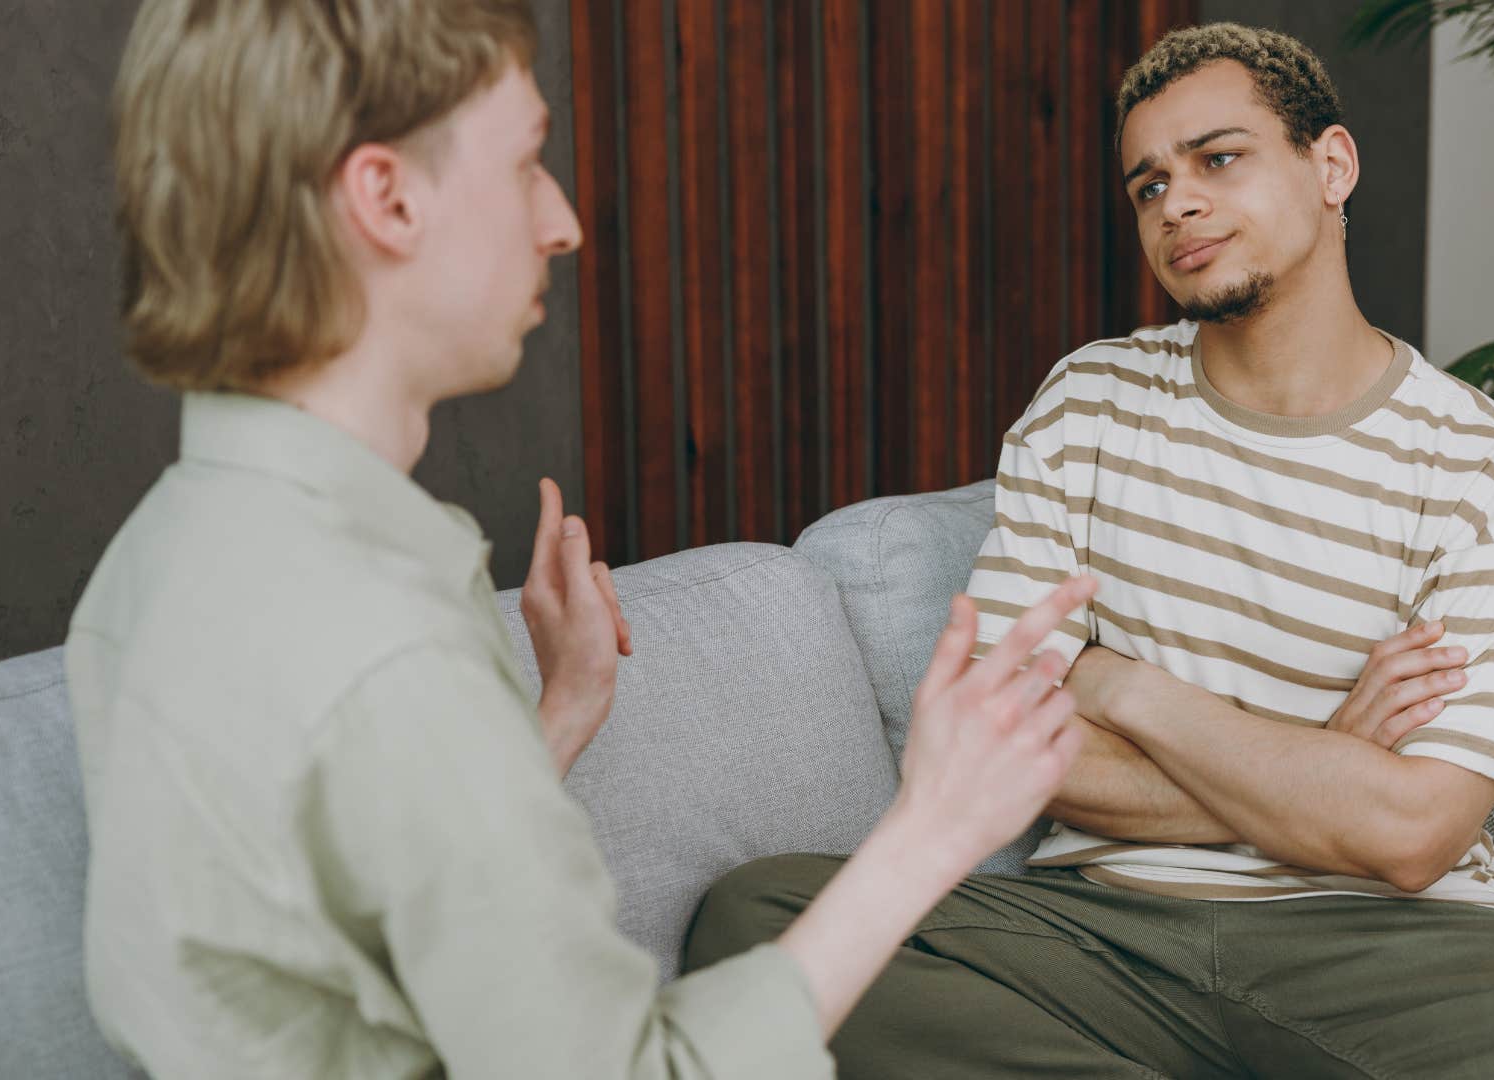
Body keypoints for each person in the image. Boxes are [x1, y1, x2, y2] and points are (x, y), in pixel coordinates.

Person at [67, 2, 1095, 1076]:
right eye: (525, 164)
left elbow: (340, 934)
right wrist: (933, 828)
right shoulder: (380, 639)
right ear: (386, 196)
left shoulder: (157, 562)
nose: (560, 220)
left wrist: (555, 718)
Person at [686, 23, 1494, 1078]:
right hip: (1101, 936)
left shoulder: (1488, 462)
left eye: (1218, 159)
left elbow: (1411, 834)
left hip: (1398, 946)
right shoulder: (1085, 405)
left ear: (1331, 166)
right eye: (1148, 184)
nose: (1176, 202)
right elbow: (1002, 753)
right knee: (757, 919)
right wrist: (1329, 757)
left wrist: (1121, 687)